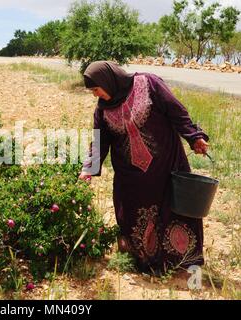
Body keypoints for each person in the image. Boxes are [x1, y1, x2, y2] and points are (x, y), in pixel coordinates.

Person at [79, 61, 209, 275]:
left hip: (165, 166)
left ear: (107, 81)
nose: (95, 95)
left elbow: (176, 112)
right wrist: (88, 169)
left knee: (173, 209)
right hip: (131, 177)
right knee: (133, 214)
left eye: (95, 89)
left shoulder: (149, 83)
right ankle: (146, 263)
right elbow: (99, 141)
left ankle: (180, 261)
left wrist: (194, 137)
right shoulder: (102, 110)